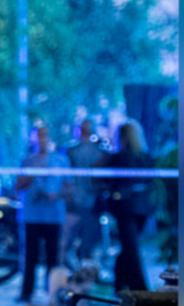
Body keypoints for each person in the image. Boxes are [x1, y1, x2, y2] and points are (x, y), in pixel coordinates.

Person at [15, 125, 68, 304]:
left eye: (45, 136)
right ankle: (26, 292)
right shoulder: (28, 161)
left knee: (53, 256)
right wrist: (31, 173)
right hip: (32, 215)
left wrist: (57, 194)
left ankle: (53, 293)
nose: (42, 140)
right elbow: (18, 186)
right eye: (39, 136)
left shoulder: (61, 161)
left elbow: (70, 187)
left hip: (54, 215)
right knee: (31, 255)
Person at [106, 122, 152, 291]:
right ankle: (122, 286)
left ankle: (137, 289)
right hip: (141, 208)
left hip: (126, 208)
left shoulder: (120, 158)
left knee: (130, 248)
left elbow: (111, 183)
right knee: (129, 247)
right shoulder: (146, 157)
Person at [63, 119, 106, 264]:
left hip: (85, 203)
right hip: (82, 203)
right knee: (81, 239)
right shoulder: (97, 153)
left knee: (77, 238)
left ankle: (79, 268)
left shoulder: (74, 152)